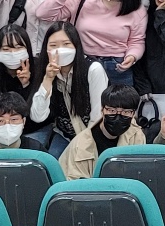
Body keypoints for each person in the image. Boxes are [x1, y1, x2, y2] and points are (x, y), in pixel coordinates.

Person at [34, 0, 147, 87]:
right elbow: (43, 14)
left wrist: (132, 56)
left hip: (116, 66)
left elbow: (136, 40)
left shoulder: (136, 10)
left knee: (119, 100)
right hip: (82, 61)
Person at [30, 22, 107, 156]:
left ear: (76, 46)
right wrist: (48, 79)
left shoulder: (93, 69)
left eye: (66, 44)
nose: (60, 50)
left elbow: (98, 115)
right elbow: (38, 116)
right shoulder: (43, 69)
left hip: (92, 134)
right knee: (53, 162)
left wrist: (85, 145)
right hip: (64, 135)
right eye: (53, 45)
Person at [60, 84, 149, 180]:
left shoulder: (136, 135)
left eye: (126, 112)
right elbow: (75, 184)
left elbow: (141, 173)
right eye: (112, 110)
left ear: (133, 114)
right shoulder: (80, 145)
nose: (118, 116)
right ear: (102, 110)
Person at [0, 23, 37, 103]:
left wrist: (26, 84)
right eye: (6, 49)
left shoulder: (38, 70)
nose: (13, 53)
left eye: (18, 48)